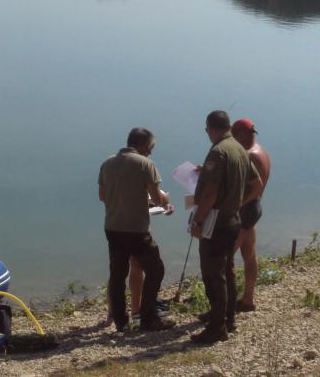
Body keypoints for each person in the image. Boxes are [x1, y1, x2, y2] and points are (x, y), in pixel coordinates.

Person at [190, 111, 263, 344]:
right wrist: (237, 203)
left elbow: (210, 193)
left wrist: (198, 221)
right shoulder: (240, 150)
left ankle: (217, 327)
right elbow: (256, 185)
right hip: (233, 220)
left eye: (206, 130)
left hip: (216, 223)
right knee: (228, 270)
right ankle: (228, 318)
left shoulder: (219, 152)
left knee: (214, 273)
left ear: (210, 128)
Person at [98, 127, 175, 332]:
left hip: (113, 228)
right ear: (141, 145)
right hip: (137, 230)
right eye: (150, 147)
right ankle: (148, 317)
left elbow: (102, 196)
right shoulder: (146, 164)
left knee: (117, 275)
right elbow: (158, 198)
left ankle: (121, 322)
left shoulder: (107, 163)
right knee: (155, 269)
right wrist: (164, 199)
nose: (151, 152)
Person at [231, 118, 271, 313]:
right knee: (249, 255)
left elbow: (254, 187)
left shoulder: (248, 155)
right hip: (254, 208)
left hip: (244, 210)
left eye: (234, 135)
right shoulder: (262, 151)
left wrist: (236, 206)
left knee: (225, 258)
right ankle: (248, 298)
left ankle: (224, 306)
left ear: (244, 135)